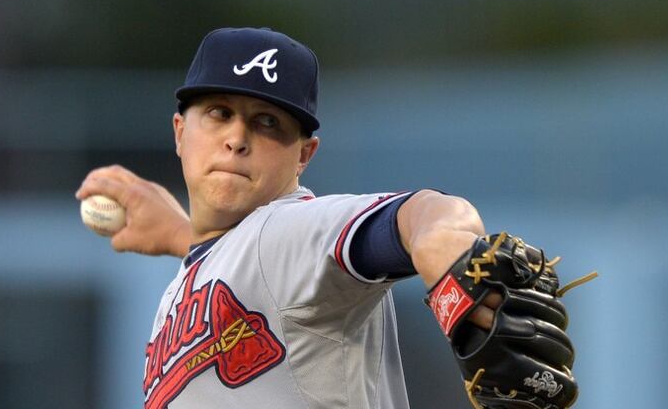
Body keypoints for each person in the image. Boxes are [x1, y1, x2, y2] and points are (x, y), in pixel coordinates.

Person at [76, 27, 575, 409]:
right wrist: (175, 233)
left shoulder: (289, 230)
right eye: (219, 112)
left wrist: (444, 244)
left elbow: (419, 214)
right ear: (180, 132)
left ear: (304, 156)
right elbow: (237, 267)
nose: (237, 137)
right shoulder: (213, 265)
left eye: (266, 122)